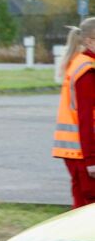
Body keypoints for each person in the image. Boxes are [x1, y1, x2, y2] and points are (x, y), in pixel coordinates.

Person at [53, 17, 95, 208]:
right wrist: (91, 161)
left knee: (81, 208)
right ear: (89, 41)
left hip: (77, 153)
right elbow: (85, 119)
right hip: (82, 153)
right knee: (87, 209)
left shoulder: (81, 63)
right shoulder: (87, 70)